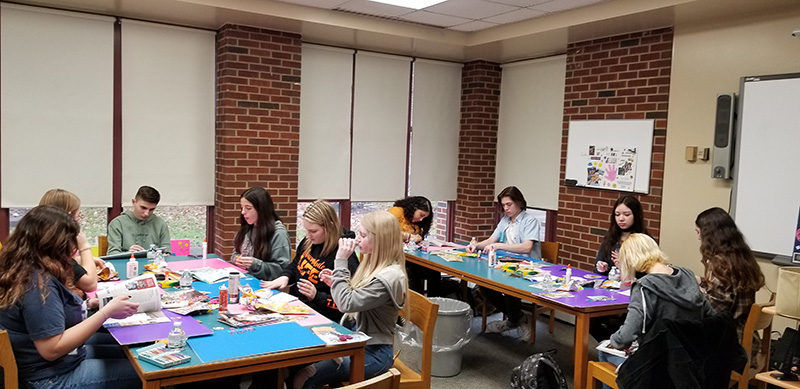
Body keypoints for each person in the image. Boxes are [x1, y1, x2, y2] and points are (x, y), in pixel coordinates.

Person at [0, 205, 141, 389]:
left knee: (129, 351)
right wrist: (105, 312)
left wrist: (91, 304)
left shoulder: (23, 266)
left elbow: (50, 315)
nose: (74, 248)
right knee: (144, 374)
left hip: (57, 362)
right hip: (49, 377)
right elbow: (51, 349)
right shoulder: (37, 284)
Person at [293, 211, 408, 389]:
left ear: (380, 240)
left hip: (374, 352)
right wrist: (337, 282)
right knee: (297, 364)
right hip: (357, 339)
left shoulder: (389, 277)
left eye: (362, 235)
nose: (357, 239)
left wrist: (340, 261)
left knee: (304, 377)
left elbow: (346, 303)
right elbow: (356, 296)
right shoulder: (373, 264)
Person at [597, 233, 715, 385]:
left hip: (658, 362)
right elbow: (711, 316)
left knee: (603, 352)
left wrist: (614, 341)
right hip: (692, 358)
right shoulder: (688, 276)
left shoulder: (644, 287)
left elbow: (628, 333)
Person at [260, 200, 360, 322]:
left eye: (313, 231)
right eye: (306, 230)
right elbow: (296, 264)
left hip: (325, 317)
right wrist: (285, 277)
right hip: (296, 307)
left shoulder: (344, 256)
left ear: (330, 226)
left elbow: (348, 303)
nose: (307, 235)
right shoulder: (309, 242)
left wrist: (316, 296)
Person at [466, 186, 541, 339]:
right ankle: (518, 318)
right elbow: (491, 240)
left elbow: (527, 247)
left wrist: (499, 246)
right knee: (485, 286)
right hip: (506, 264)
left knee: (510, 289)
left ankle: (513, 320)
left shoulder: (530, 221)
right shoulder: (505, 221)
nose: (506, 208)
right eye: (503, 205)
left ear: (519, 203)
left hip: (526, 266)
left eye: (509, 204)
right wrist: (476, 245)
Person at [695, 207, 765, 359]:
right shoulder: (741, 259)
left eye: (698, 232)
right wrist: (702, 282)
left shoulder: (720, 265)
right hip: (747, 337)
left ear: (709, 235)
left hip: (729, 343)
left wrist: (691, 293)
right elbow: (728, 293)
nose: (698, 237)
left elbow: (715, 311)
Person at [590, 195, 647, 341]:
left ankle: (617, 347)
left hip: (633, 295)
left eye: (626, 214)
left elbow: (647, 274)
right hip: (609, 291)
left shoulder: (643, 241)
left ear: (636, 215)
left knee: (619, 324)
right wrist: (601, 267)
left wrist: (625, 266)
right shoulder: (610, 238)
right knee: (590, 322)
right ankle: (612, 347)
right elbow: (598, 270)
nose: (621, 219)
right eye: (617, 214)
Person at [39, 188, 102, 295]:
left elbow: (68, 264)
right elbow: (90, 284)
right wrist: (84, 246)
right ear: (68, 217)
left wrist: (80, 260)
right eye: (77, 217)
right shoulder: (57, 248)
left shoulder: (41, 240)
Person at [232, 187, 291, 281]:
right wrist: (237, 259)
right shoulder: (248, 227)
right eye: (242, 208)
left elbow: (281, 271)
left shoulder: (278, 233)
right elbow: (236, 252)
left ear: (261, 210)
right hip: (247, 280)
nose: (243, 212)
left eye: (248, 208)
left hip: (266, 287)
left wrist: (255, 264)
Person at [387, 196, 442, 296]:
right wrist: (407, 236)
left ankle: (434, 303)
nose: (421, 219)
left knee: (433, 271)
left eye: (424, 218)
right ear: (414, 207)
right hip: (393, 257)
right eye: (421, 215)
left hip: (410, 257)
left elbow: (417, 236)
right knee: (411, 272)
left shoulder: (415, 223)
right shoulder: (396, 212)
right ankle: (413, 304)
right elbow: (384, 230)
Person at [107, 185, 171, 255]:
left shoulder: (160, 224)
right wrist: (128, 253)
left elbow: (167, 252)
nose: (146, 213)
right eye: (143, 208)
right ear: (134, 202)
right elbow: (112, 254)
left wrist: (165, 255)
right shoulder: (117, 224)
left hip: (154, 264)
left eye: (151, 209)